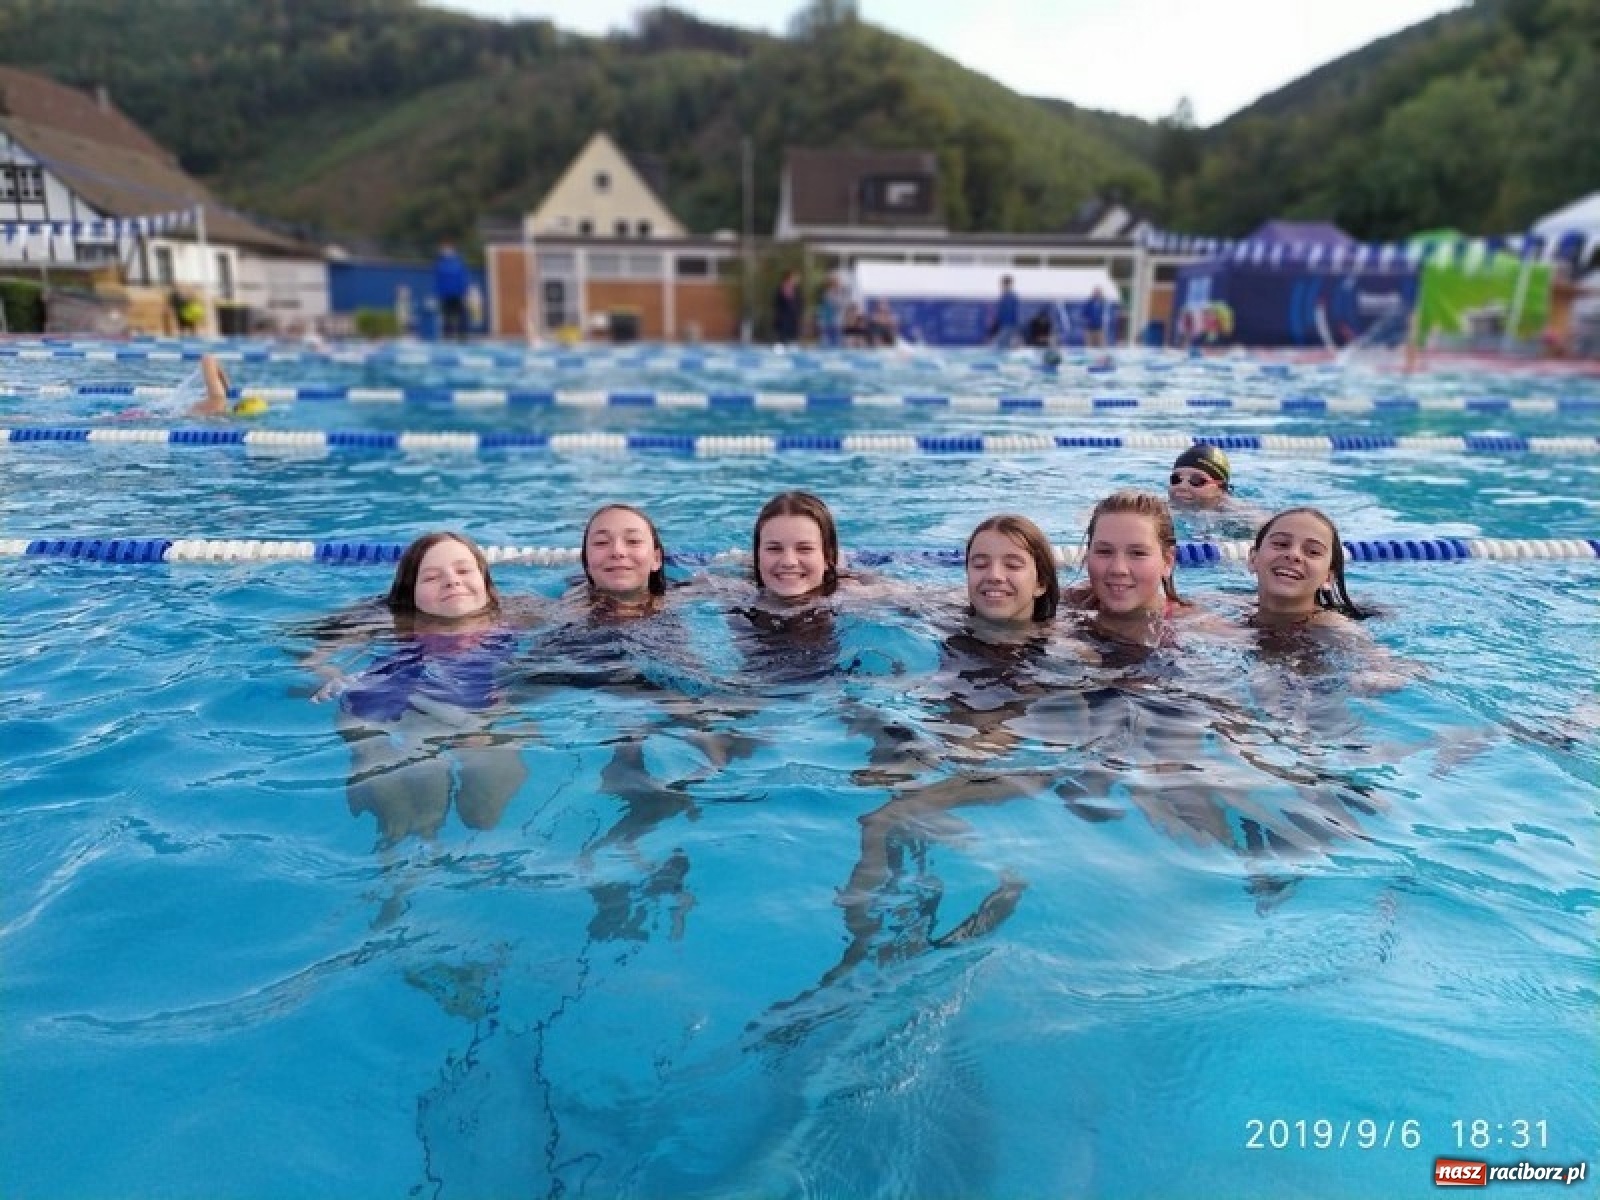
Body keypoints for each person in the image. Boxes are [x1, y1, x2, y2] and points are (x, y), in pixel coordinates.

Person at [308, 532, 528, 845]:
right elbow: (312, 659)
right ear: (411, 594)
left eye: (463, 571)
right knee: (392, 783)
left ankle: (424, 846)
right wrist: (333, 675)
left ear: (486, 583)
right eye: (431, 577)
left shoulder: (518, 616)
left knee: (484, 815)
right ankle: (400, 841)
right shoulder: (390, 623)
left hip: (468, 709)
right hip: (391, 702)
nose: (452, 581)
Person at [1064, 489, 1211, 647]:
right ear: (1087, 556)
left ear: (1167, 561)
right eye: (1104, 551)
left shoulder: (1195, 627)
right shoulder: (1064, 606)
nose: (1118, 569)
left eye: (1138, 553)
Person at [1247, 508, 1376, 628]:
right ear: (1253, 559)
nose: (1293, 555)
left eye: (1313, 552)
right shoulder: (1233, 610)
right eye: (1281, 544)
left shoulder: (1338, 631)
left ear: (1328, 578)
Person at [1166, 443, 1233, 510]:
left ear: (1221, 489)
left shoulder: (1238, 516)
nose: (1182, 486)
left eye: (1196, 480)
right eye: (1176, 479)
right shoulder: (1160, 509)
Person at [434, 242, 471, 341]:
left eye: (448, 250)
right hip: (446, 295)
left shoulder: (458, 263)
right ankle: (448, 335)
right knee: (447, 316)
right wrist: (438, 294)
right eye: (445, 250)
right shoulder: (440, 265)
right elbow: (438, 281)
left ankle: (462, 335)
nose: (446, 252)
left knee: (462, 315)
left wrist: (465, 292)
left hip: (457, 294)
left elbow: (463, 278)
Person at [771, 268, 803, 345]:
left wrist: (799, 312)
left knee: (792, 339)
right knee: (782, 338)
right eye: (795, 277)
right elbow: (777, 303)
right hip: (784, 318)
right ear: (789, 277)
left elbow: (799, 303)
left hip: (793, 318)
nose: (797, 279)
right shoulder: (782, 288)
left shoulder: (796, 290)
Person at [988, 275, 1021, 347]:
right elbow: (1000, 313)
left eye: (1004, 284)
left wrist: (1015, 329)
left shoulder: (1011, 297)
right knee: (1002, 346)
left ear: (1009, 285)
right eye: (1002, 284)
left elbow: (1013, 314)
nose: (1002, 286)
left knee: (999, 346)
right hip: (1003, 325)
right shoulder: (1003, 296)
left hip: (1008, 325)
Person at [816, 273, 844, 347]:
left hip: (835, 321)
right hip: (827, 321)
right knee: (826, 341)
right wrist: (820, 320)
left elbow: (840, 307)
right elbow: (822, 309)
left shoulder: (839, 294)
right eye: (835, 283)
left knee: (836, 341)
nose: (837, 285)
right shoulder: (825, 295)